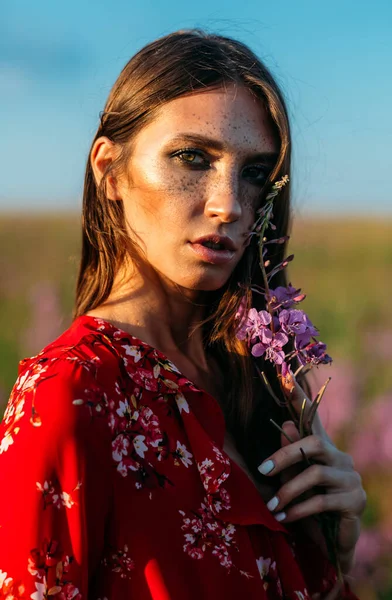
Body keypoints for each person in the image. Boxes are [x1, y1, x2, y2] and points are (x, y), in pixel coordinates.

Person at [0, 29, 365, 600]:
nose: (230, 204)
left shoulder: (262, 377)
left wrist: (335, 556)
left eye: (253, 173)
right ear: (110, 171)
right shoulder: (70, 393)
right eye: (193, 158)